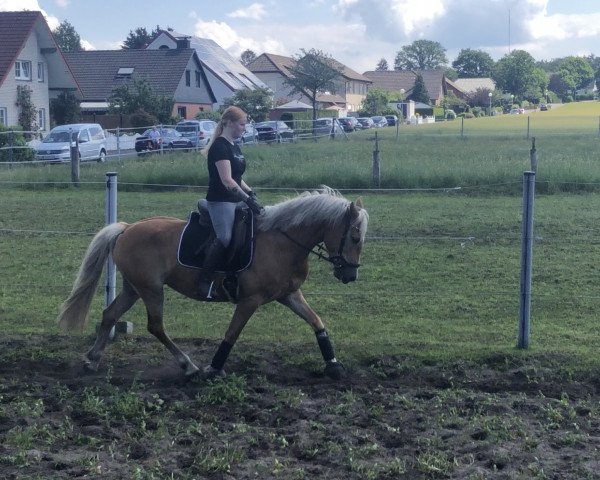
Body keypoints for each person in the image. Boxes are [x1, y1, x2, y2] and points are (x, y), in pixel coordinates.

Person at [198, 106, 264, 298]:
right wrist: (245, 199)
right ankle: (204, 281)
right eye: (242, 124)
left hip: (236, 200)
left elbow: (237, 176)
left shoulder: (234, 145)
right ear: (229, 123)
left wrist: (250, 193)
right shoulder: (220, 146)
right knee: (225, 238)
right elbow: (227, 181)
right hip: (221, 201)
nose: (244, 128)